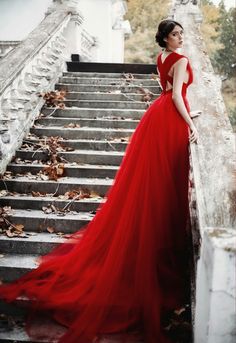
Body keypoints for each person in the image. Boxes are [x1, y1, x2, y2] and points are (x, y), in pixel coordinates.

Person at [0, 19, 199, 343]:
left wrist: (187, 116)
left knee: (157, 185)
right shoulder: (180, 59)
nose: (180, 37)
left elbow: (165, 92)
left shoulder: (163, 58)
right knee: (166, 185)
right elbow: (177, 96)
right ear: (165, 37)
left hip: (157, 117)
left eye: (181, 33)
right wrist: (192, 123)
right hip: (171, 119)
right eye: (175, 33)